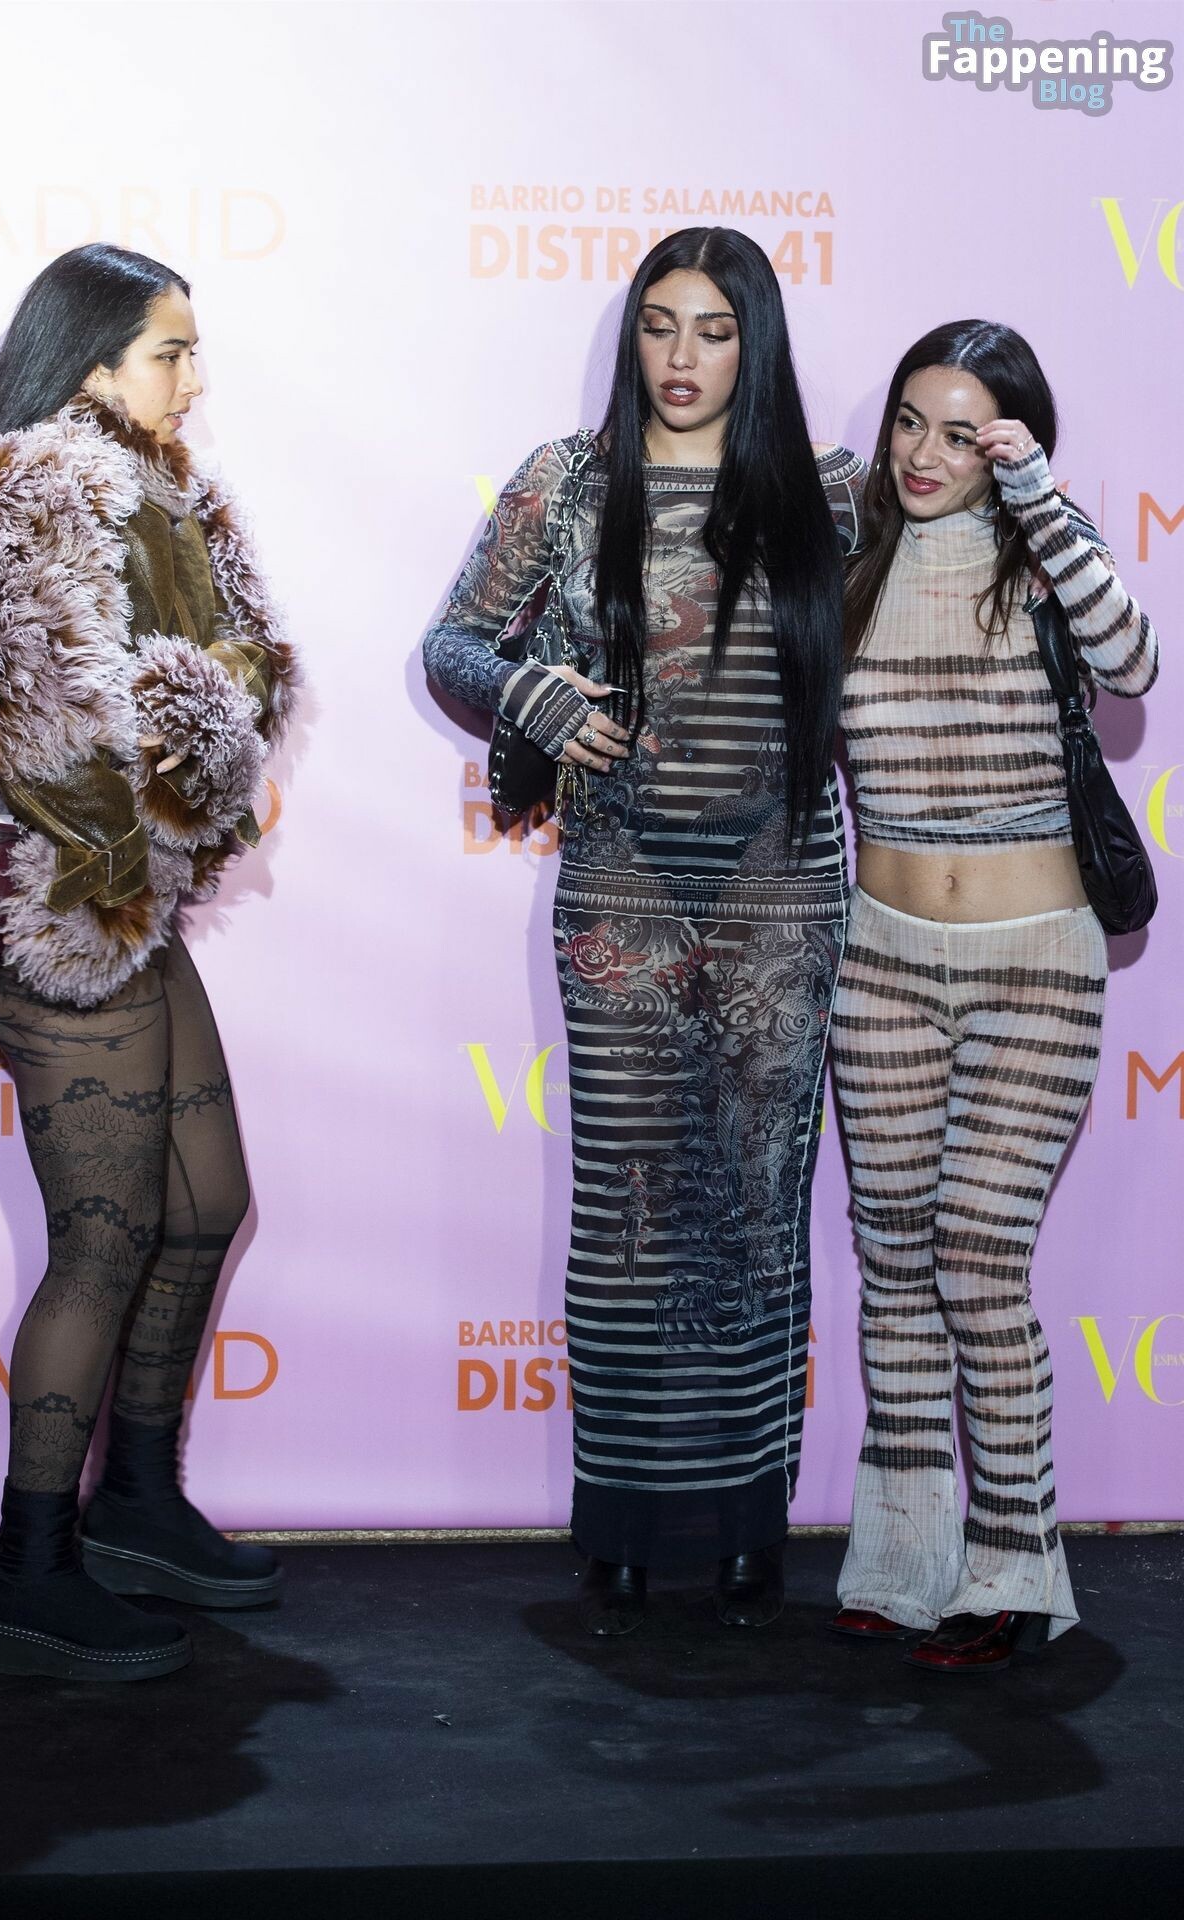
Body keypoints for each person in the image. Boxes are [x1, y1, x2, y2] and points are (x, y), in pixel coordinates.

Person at [424, 228, 865, 1635]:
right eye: (660, 327)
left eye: (714, 331)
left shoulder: (830, 497)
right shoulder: (568, 482)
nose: (683, 358)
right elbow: (454, 642)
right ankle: (617, 1523)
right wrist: (536, 696)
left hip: (783, 894)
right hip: (619, 894)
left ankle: (747, 1529)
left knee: (756, 1207)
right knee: (626, 1211)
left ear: (757, 345)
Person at [0, 243, 299, 1680]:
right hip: (62, 906)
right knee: (106, 1236)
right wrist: (197, 738)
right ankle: (29, 1569)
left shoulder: (168, 492)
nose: (194, 379)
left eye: (195, 350)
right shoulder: (31, 490)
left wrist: (203, 723)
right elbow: (54, 739)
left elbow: (250, 672)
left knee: (207, 1204)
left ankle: (135, 1502)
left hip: (131, 899)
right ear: (90, 364)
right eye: (168, 352)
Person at [828, 321, 1158, 1672]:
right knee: (895, 1261)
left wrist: (1038, 494)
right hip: (882, 960)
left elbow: (1133, 663)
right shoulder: (853, 563)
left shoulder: (1044, 557)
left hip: (1035, 966)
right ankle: (904, 1561)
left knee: (975, 1256)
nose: (924, 453)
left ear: (1009, 443)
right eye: (911, 422)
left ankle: (1016, 1567)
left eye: (961, 433)